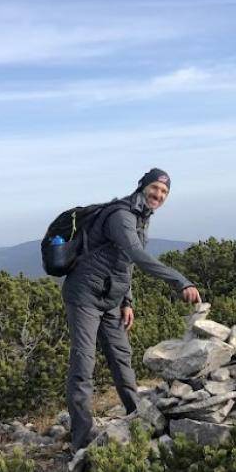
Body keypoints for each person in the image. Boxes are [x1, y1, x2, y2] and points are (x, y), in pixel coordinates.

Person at [61, 167, 202, 452]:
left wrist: (127, 302)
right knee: (83, 365)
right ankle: (81, 440)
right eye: (155, 188)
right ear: (142, 186)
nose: (159, 195)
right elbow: (137, 255)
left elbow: (123, 264)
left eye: (164, 192)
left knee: (121, 359)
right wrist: (181, 281)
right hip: (85, 296)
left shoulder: (141, 216)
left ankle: (137, 418)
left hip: (111, 299)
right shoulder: (121, 215)